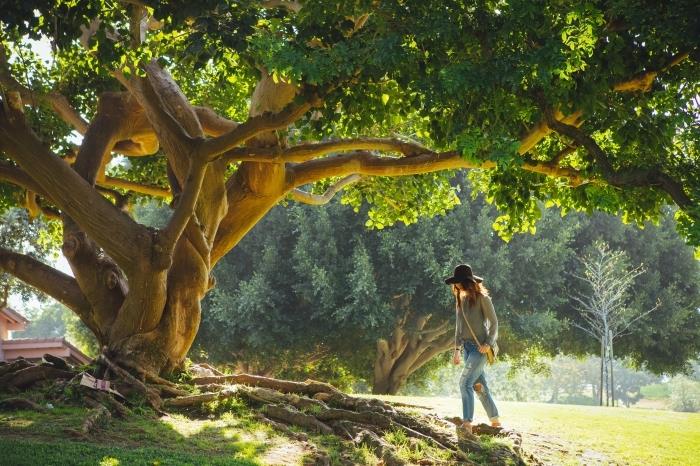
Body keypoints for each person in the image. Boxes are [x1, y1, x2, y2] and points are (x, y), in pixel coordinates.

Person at [444, 264, 500, 437]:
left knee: (464, 383)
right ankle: (496, 421)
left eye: (458, 282)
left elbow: (494, 323)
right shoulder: (461, 300)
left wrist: (489, 343)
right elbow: (458, 328)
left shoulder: (483, 299)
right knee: (479, 386)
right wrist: (456, 349)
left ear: (466, 281)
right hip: (467, 349)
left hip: (480, 349)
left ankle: (467, 423)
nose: (456, 286)